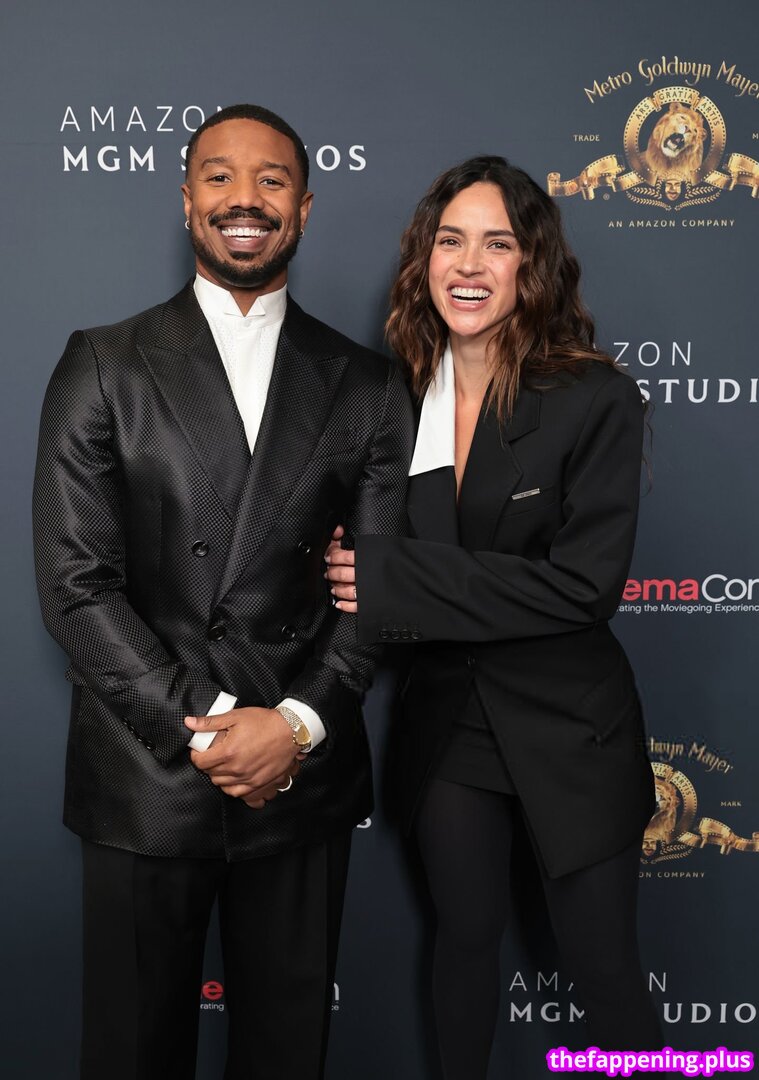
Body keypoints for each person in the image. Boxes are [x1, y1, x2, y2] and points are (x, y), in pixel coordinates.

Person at [33, 103, 412, 1080]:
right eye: (219, 177)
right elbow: (76, 586)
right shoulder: (103, 363)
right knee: (131, 1055)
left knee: (287, 1055)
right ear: (187, 199)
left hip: (299, 771)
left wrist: (294, 724)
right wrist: (206, 725)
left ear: (305, 207)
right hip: (145, 775)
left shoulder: (368, 386)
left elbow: (379, 589)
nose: (246, 199)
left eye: (272, 180)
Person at [325, 156, 662, 1079]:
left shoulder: (594, 396)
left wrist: (398, 577)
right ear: (424, 259)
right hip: (450, 723)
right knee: (462, 947)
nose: (468, 265)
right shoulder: (395, 399)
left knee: (605, 973)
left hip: (570, 727)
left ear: (531, 265)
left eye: (496, 244)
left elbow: (580, 589)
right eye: (450, 241)